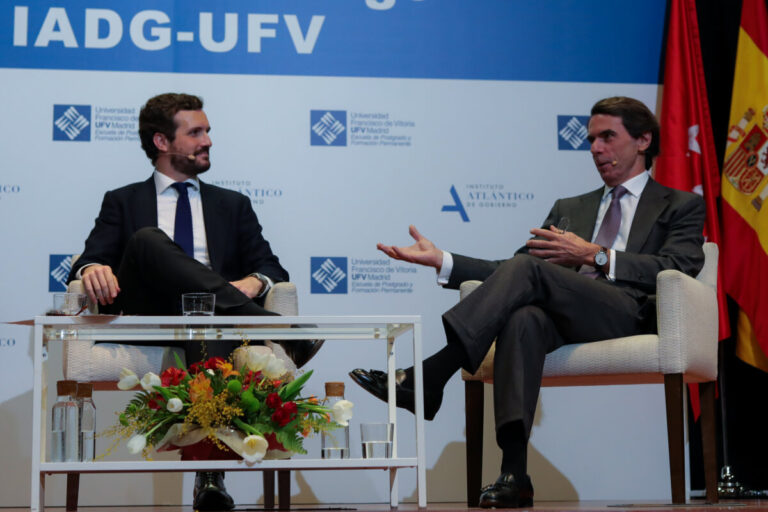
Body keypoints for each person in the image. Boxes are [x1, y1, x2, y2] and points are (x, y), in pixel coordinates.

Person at [350, 96, 706, 508]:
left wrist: (595, 255)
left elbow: (679, 264)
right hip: (566, 314)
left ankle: (433, 373)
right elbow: (514, 268)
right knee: (523, 317)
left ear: (644, 140)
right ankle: (514, 473)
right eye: (591, 139)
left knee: (531, 275)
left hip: (628, 311)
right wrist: (443, 260)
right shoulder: (572, 207)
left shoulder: (680, 205)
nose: (595, 148)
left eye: (608, 137)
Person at [67, 92, 288, 511]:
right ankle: (272, 327)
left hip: (209, 318)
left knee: (203, 315)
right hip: (145, 309)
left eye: (208, 131)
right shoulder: (123, 200)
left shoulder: (232, 205)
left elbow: (271, 267)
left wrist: (253, 283)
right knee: (148, 239)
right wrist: (90, 268)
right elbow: (91, 255)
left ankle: (209, 478)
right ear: (162, 142)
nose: (208, 141)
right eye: (196, 132)